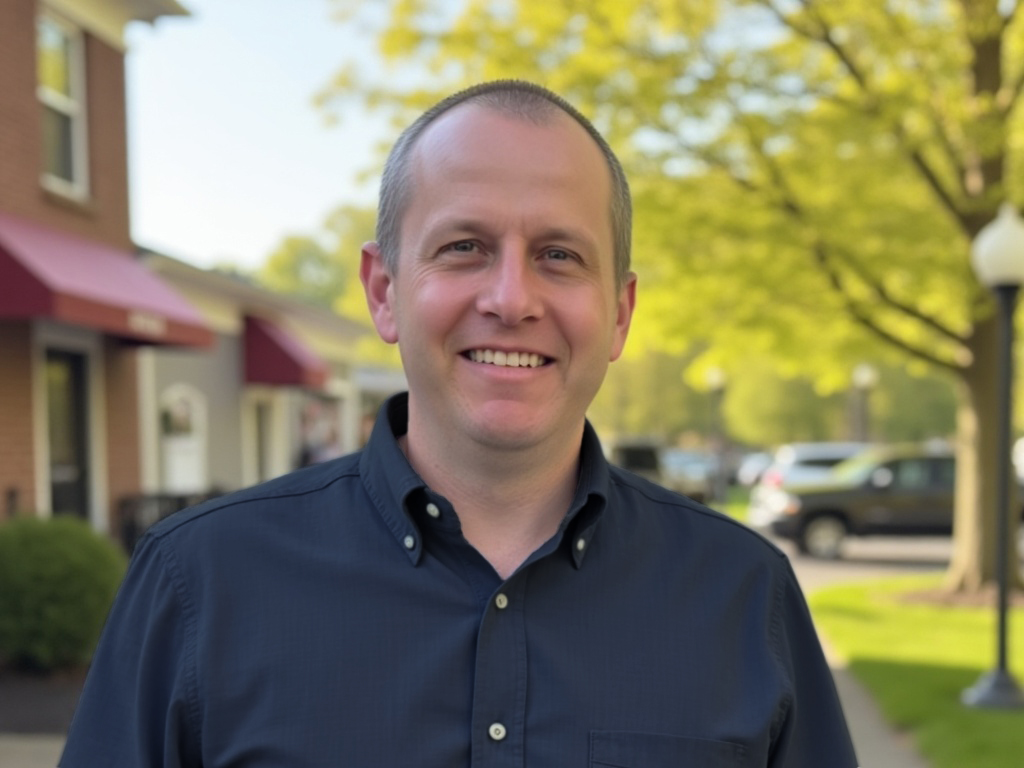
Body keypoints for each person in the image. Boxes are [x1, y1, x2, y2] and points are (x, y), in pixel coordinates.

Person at [60, 81, 858, 767]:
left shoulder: (744, 594)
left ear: (619, 313)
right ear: (384, 291)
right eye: (465, 246)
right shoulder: (199, 582)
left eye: (559, 255)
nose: (511, 299)